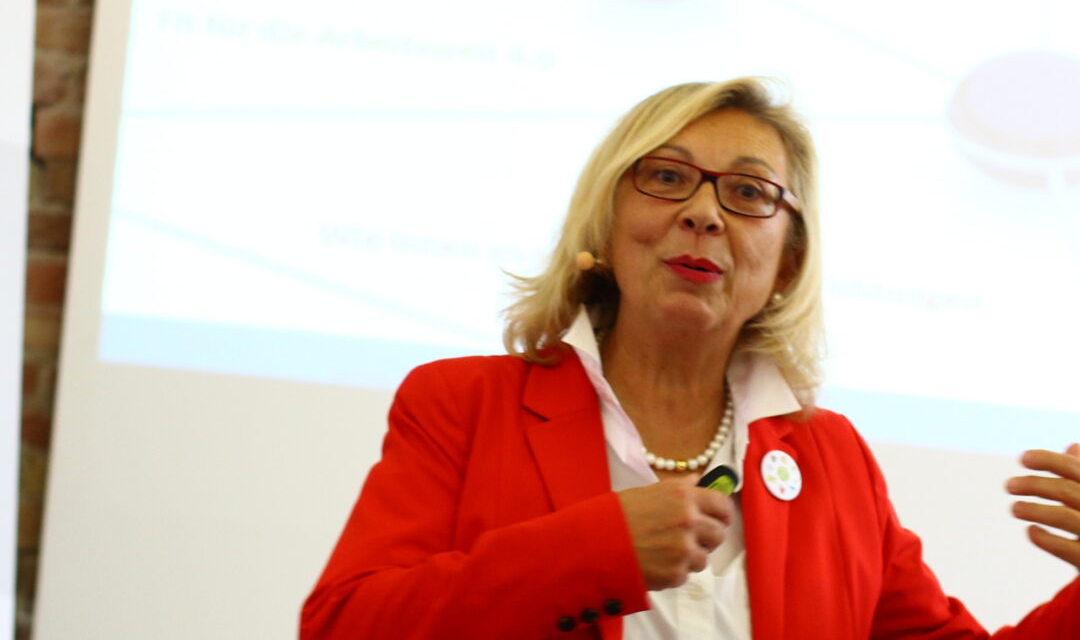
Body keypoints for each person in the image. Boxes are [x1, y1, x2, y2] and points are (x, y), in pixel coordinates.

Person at [300, 78, 1080, 639]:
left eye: (750, 193)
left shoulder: (831, 455)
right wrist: (597, 550)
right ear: (604, 226)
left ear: (786, 262)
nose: (703, 212)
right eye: (667, 177)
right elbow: (344, 624)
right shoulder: (462, 402)